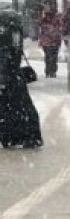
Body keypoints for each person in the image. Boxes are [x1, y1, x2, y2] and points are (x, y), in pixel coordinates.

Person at [0, 11, 43, 148]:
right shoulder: (15, 33)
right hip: (14, 77)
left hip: (8, 77)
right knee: (21, 107)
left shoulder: (7, 35)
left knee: (9, 109)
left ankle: (12, 137)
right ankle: (26, 136)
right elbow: (15, 55)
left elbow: (7, 58)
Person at [37, 5, 65, 79]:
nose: (48, 15)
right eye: (47, 14)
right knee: (49, 57)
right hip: (47, 42)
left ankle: (52, 71)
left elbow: (61, 28)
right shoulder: (43, 20)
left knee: (53, 57)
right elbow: (39, 25)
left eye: (49, 14)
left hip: (54, 41)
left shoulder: (56, 20)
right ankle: (49, 71)